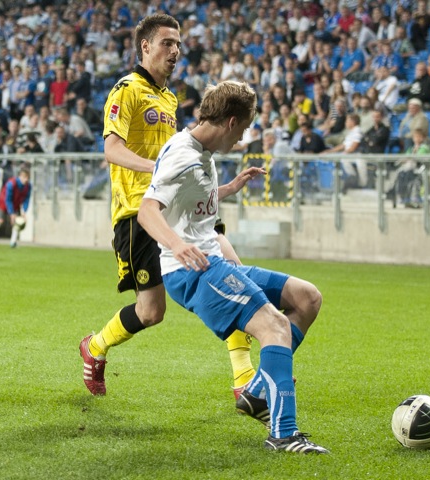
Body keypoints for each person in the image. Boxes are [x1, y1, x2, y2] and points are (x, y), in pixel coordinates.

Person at [137, 80, 329, 454]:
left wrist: (227, 189)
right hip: (192, 272)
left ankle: (256, 393)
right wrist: (177, 244)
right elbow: (148, 210)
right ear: (229, 122)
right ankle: (284, 434)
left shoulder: (201, 152)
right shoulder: (184, 155)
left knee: (307, 298)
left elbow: (190, 199)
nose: (241, 139)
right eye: (241, 130)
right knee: (275, 325)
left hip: (214, 261)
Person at [78, 14, 256, 401]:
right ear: (145, 46)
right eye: (167, 43)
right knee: (151, 312)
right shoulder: (126, 90)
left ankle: (244, 379)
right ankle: (95, 346)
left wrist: (218, 185)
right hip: (138, 211)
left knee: (234, 274)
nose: (175, 50)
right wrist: (156, 167)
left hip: (182, 208)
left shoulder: (170, 98)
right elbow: (112, 150)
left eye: (178, 44)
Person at [0, 167, 30, 248]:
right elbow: (8, 199)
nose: (26, 179)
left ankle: (13, 242)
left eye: (28, 177)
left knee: (16, 222)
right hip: (3, 202)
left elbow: (26, 199)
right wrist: (11, 213)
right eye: (24, 177)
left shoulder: (28, 186)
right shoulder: (11, 184)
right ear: (20, 176)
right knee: (0, 220)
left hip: (16, 204)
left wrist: (24, 211)